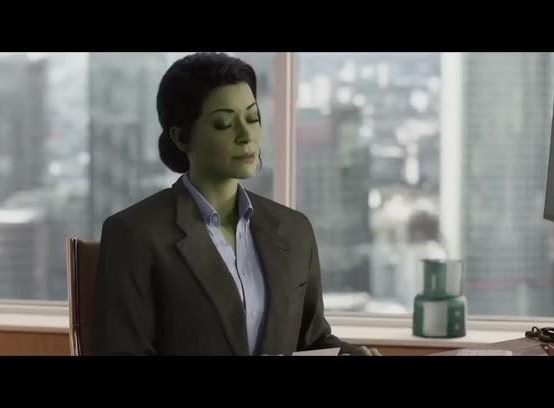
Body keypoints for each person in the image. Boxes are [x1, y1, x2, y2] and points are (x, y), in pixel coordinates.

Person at [91, 52, 381, 356]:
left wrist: (348, 354)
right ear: (182, 138)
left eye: (253, 118)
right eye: (224, 123)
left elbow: (312, 340)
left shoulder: (295, 230)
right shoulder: (134, 234)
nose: (246, 136)